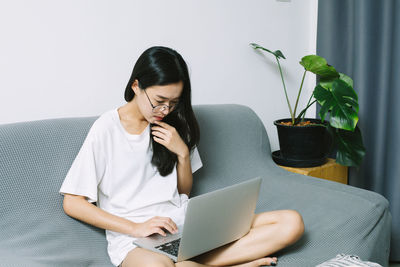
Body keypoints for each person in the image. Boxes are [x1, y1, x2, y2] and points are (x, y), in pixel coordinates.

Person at [60, 46, 304, 267]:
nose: (165, 110)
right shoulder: (107, 128)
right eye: (159, 101)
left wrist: (183, 154)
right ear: (136, 86)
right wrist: (136, 227)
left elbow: (184, 191)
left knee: (291, 223)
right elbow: (73, 202)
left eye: (173, 103)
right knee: (158, 266)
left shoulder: (174, 126)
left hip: (186, 226)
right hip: (135, 239)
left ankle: (197, 263)